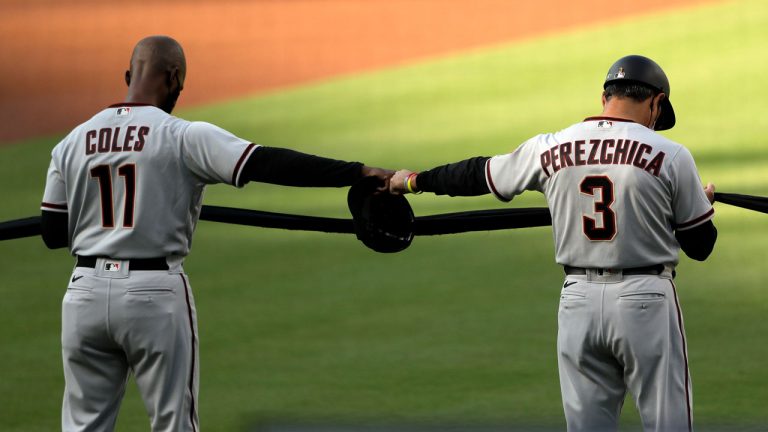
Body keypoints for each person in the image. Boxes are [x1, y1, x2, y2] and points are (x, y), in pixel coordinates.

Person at [40, 35, 392, 432]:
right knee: (174, 423)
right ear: (174, 78)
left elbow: (53, 232)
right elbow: (267, 163)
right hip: (153, 293)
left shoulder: (71, 142)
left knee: (83, 427)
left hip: (83, 294)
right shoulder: (182, 135)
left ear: (128, 75)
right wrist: (358, 172)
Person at [390, 55, 716, 431]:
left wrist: (413, 181)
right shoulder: (671, 154)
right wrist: (700, 204)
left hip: (577, 302)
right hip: (645, 300)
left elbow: (477, 174)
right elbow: (700, 245)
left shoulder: (550, 147)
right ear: (656, 102)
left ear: (604, 97)